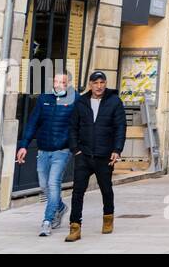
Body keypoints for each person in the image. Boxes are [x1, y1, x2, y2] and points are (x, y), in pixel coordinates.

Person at [15, 70, 78, 237]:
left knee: (53, 184)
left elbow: (81, 125)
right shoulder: (44, 99)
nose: (58, 85)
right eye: (56, 82)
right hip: (43, 151)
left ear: (69, 84)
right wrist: (24, 146)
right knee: (44, 186)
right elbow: (32, 123)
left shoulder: (75, 100)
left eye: (62, 82)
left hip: (62, 151)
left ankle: (47, 221)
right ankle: (61, 207)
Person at [65, 71, 126, 242]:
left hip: (104, 155)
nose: (99, 86)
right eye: (96, 83)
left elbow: (120, 128)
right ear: (90, 84)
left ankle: (108, 217)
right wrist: (75, 149)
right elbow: (73, 127)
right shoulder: (81, 102)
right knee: (78, 191)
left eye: (102, 83)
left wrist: (117, 150)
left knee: (106, 189)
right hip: (83, 154)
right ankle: (75, 227)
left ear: (105, 84)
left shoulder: (114, 102)